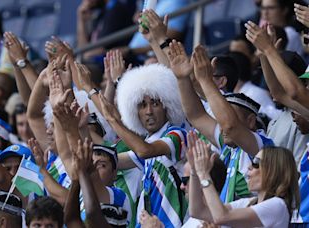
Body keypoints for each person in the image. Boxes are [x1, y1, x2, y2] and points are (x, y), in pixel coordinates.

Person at [167, 41, 273, 203]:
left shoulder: (261, 146)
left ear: (251, 121)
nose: (222, 124)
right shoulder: (229, 146)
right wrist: (182, 78)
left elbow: (231, 127)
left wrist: (206, 80)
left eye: (228, 115)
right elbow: (196, 116)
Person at [89, 63, 188, 227]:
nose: (148, 111)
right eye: (142, 105)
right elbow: (110, 160)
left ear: (166, 106)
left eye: (155, 103)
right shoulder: (148, 143)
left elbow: (145, 151)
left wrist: (113, 120)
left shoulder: (176, 135)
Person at [189, 138, 299, 227]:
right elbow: (198, 211)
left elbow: (220, 217)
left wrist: (204, 174)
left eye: (256, 163)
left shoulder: (277, 205)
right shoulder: (248, 203)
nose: (249, 167)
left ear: (274, 171)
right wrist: (194, 172)